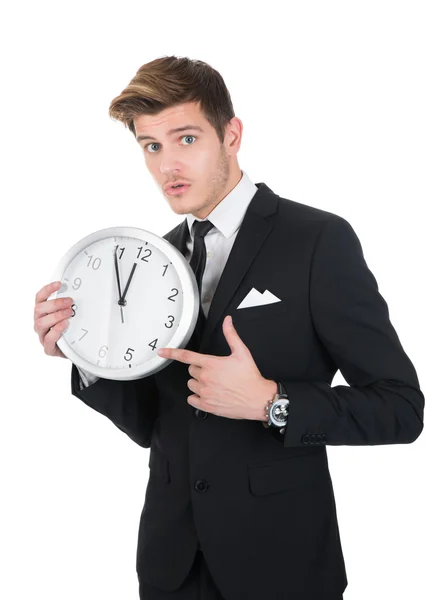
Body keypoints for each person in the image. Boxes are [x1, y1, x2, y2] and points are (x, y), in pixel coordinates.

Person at [33, 55, 424, 600]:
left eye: (186, 139)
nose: (168, 165)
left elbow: (402, 409)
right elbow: (155, 426)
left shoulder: (316, 240)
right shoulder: (157, 260)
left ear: (231, 134)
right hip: (172, 568)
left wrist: (271, 401)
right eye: (151, 146)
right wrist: (85, 355)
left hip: (281, 566)